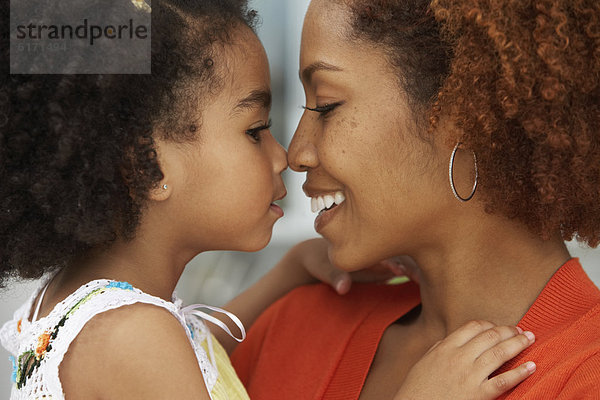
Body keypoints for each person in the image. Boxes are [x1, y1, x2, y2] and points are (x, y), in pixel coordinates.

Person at [0, 0, 536, 399]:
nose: (286, 155)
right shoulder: (133, 338)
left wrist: (287, 275)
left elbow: (198, 352)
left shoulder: (86, 312)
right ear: (149, 165)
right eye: (256, 130)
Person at [231, 0, 600, 399]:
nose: (297, 153)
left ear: (461, 111)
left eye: (326, 105)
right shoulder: (294, 323)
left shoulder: (585, 379)